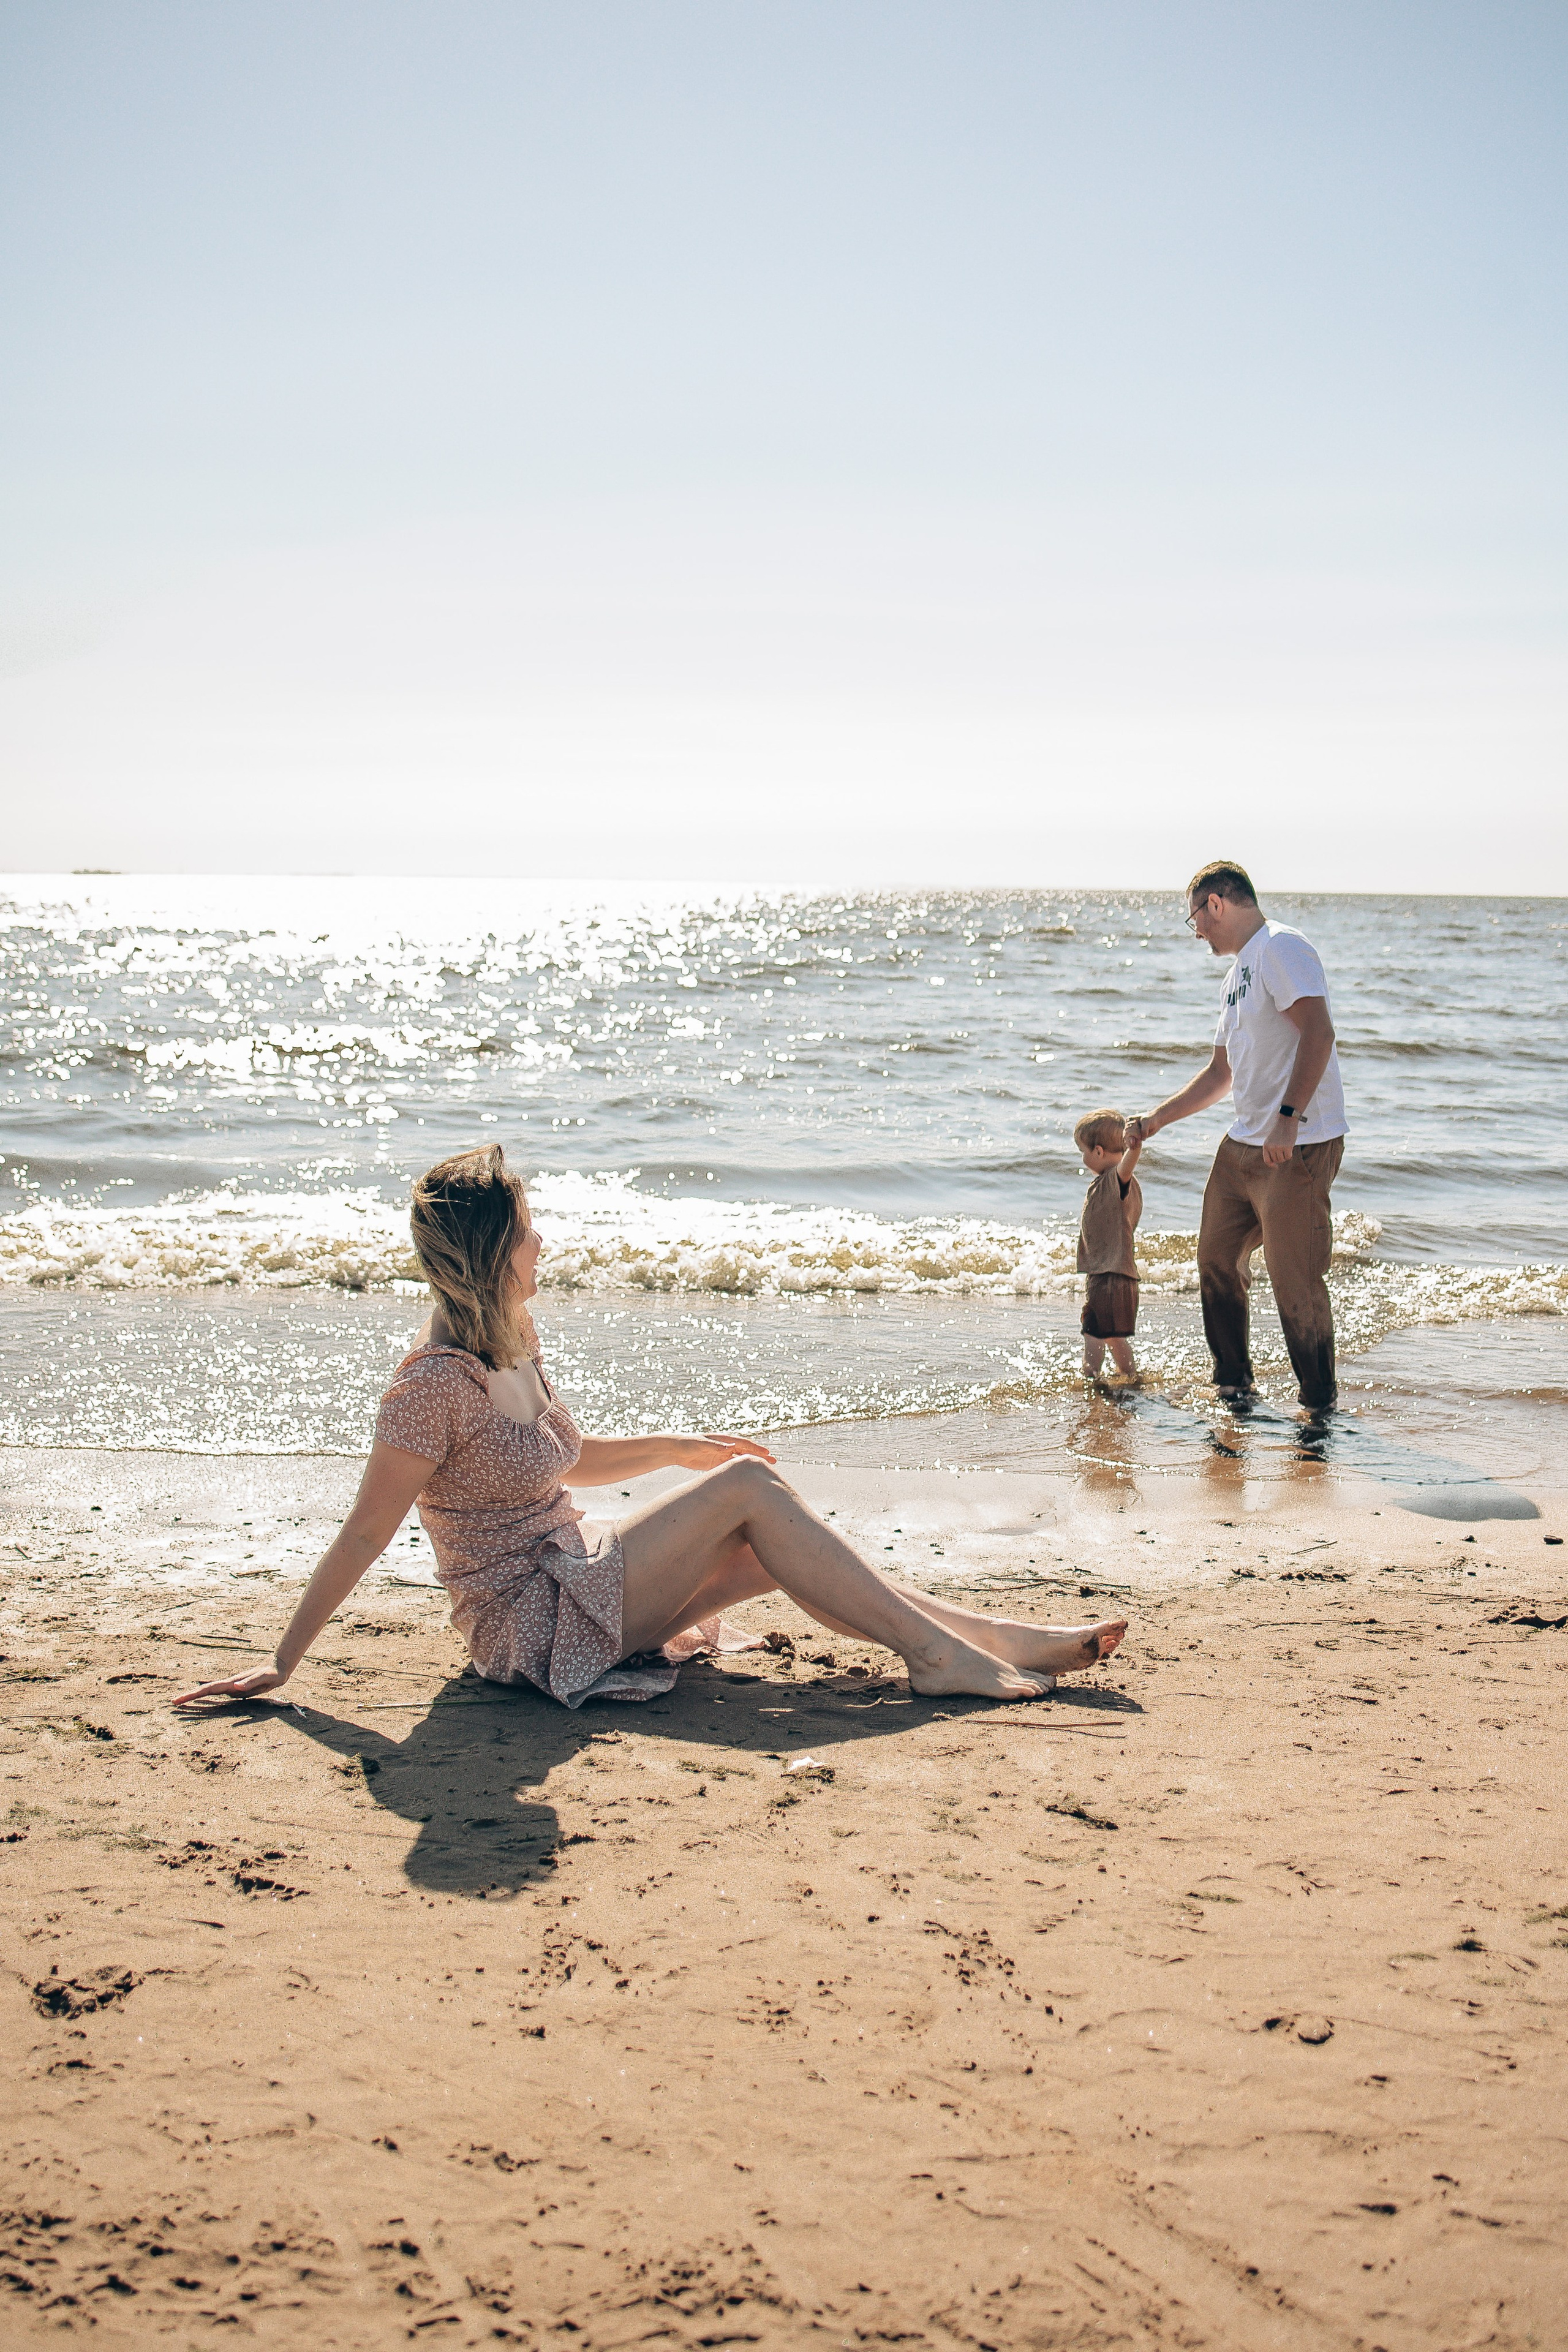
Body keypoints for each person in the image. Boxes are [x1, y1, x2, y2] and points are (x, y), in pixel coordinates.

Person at [176, 1145, 1127, 1716]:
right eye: (529, 1228)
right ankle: (938, 1658)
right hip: (528, 1621)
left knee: (770, 1543)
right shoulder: (430, 1388)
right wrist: (283, 1659)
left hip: (577, 1567)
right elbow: (364, 1533)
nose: (543, 1242)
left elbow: (564, 1459)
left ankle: (998, 1640)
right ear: (493, 1251)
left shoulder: (515, 1339)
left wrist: (683, 1449)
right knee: (755, 1499)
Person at [1128, 861, 1346, 1411]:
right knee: (1216, 1259)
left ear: (1216, 904)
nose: (1196, 930)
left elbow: (1319, 1032)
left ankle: (1319, 1406)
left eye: (1194, 917)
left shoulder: (1281, 948)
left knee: (1294, 1280)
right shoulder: (1236, 976)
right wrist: (1156, 1120)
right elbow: (1220, 1074)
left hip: (1295, 1145)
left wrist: (1288, 1118)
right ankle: (1234, 1385)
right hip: (1244, 1144)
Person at [1073, 1109, 1143, 1384]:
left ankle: (1090, 1377)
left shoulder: (1117, 1179)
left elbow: (1128, 1166)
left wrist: (1134, 1148)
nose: (1083, 1158)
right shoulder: (1107, 1182)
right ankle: (1130, 1376)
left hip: (1111, 1276)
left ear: (1099, 1152)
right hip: (1112, 1274)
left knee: (1093, 1332)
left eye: (1083, 1151)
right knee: (1113, 1336)